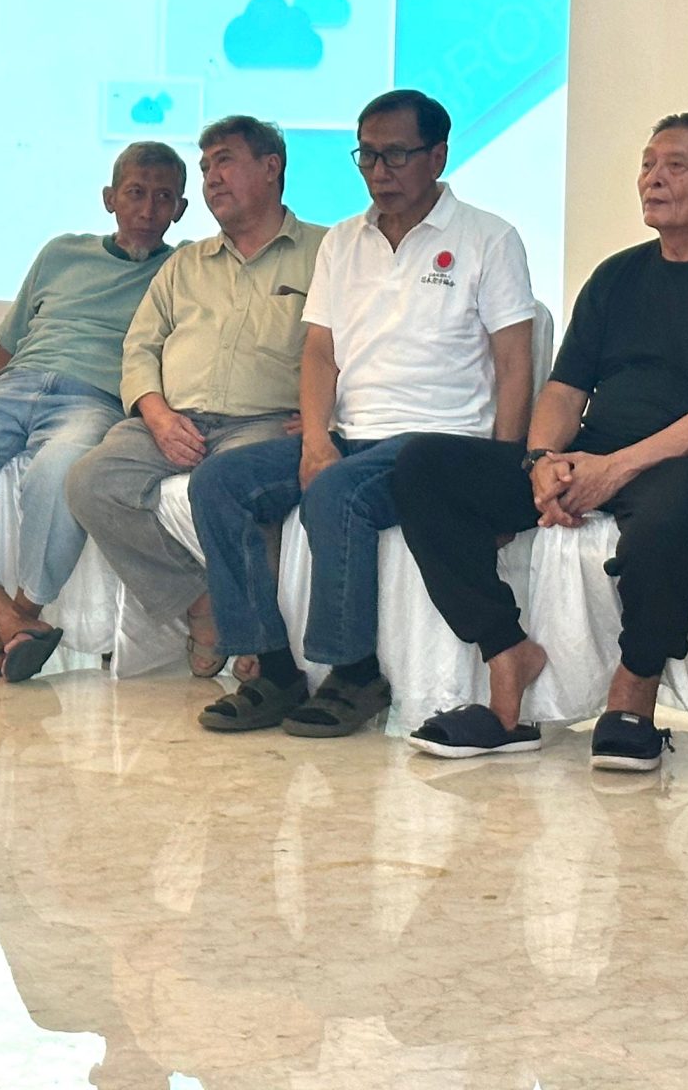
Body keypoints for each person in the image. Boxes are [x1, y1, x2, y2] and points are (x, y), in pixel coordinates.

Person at [391, 112, 688, 769]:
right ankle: (506, 660)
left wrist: (616, 468)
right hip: (597, 454)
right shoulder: (617, 276)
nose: (652, 179)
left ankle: (632, 698)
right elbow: (565, 388)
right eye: (647, 164)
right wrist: (541, 462)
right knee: (424, 466)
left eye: (675, 166)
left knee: (669, 519)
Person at [187, 89, 537, 735]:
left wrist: (501, 472)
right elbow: (319, 352)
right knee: (219, 482)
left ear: (437, 156)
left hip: (437, 446)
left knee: (337, 492)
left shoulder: (489, 238)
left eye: (396, 155)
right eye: (367, 156)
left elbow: (515, 362)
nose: (379, 171)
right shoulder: (343, 240)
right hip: (352, 435)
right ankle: (272, 668)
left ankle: (354, 674)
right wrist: (317, 440)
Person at [0, 141, 190, 680]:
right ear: (109, 198)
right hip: (14, 389)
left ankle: (20, 614)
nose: (147, 209)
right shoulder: (61, 252)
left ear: (181, 209)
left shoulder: (181, 269)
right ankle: (8, 620)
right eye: (135, 193)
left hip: (93, 398)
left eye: (163, 198)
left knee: (58, 473)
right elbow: (9, 339)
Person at [62, 116, 324, 683]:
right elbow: (140, 347)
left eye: (224, 161)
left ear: (271, 167)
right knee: (90, 481)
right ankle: (200, 604)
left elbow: (356, 342)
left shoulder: (326, 252)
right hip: (173, 418)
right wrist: (156, 416)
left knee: (240, 488)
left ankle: (260, 639)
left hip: (264, 422)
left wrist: (326, 415)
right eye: (205, 168)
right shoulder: (185, 263)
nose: (211, 178)